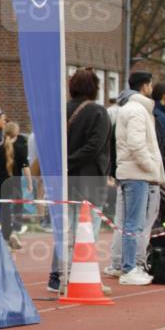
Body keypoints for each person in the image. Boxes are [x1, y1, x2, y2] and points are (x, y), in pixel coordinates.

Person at [47, 68, 112, 293]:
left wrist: (64, 163)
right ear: (94, 88)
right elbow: (96, 146)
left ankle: (58, 276)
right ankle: (83, 276)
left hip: (65, 180)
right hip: (90, 180)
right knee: (87, 231)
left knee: (65, 229)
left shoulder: (61, 110)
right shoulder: (98, 112)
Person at [113, 71, 165, 285]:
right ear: (145, 86)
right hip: (136, 173)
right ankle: (129, 268)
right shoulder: (137, 110)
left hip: (131, 172)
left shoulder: (130, 109)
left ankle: (126, 266)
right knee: (134, 223)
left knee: (128, 223)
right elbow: (136, 144)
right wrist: (151, 167)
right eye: (150, 85)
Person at [0, 121, 31, 250]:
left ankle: (7, 236)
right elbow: (26, 168)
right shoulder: (21, 148)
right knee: (19, 206)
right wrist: (30, 182)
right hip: (16, 182)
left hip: (3, 182)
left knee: (5, 209)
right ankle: (15, 231)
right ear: (17, 133)